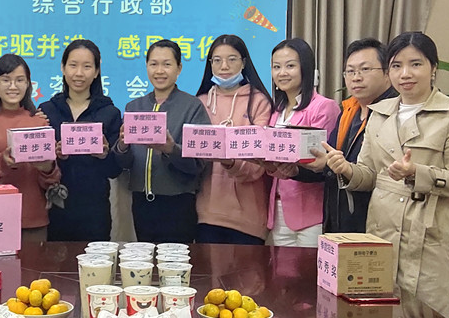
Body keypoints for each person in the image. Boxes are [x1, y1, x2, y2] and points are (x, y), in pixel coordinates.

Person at [326, 32, 449, 318]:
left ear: (433, 68)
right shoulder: (379, 113)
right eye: (396, 66)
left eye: (415, 64)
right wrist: (345, 169)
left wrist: (417, 173)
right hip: (381, 232)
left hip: (426, 233)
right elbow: (369, 175)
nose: (405, 74)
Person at [113, 39, 210, 244]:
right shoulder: (134, 107)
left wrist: (171, 149)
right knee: (144, 260)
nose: (159, 71)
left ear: (179, 68)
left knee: (175, 261)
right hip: (141, 201)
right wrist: (122, 146)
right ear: (146, 66)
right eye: (154, 64)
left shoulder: (192, 106)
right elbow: (124, 163)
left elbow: (199, 163)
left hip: (178, 202)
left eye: (167, 64)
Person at [301, 37, 396, 233]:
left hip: (377, 225)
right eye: (350, 71)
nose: (356, 77)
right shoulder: (349, 111)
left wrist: (336, 166)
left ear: (387, 73)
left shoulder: (395, 114)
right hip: (340, 222)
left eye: (365, 69)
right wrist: (295, 169)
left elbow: (387, 174)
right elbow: (330, 164)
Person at [0, 54, 61, 242]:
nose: (13, 86)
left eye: (20, 80)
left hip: (32, 216)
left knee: (34, 262)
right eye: (6, 80)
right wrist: (2, 161)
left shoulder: (39, 122)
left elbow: (52, 179)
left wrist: (47, 168)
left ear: (28, 84)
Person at [38, 39, 122, 241]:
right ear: (63, 67)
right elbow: (37, 162)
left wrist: (104, 155)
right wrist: (54, 156)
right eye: (73, 65)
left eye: (87, 67)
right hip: (55, 206)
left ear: (97, 71)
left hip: (94, 210)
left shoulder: (110, 113)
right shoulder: (46, 111)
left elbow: (115, 170)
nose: (79, 73)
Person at [195, 34, 273, 245]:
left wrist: (230, 161)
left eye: (232, 59)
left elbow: (259, 164)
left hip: (248, 216)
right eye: (217, 60)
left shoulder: (259, 102)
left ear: (244, 62)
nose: (224, 66)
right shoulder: (199, 102)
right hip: (206, 213)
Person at [265, 38, 339, 247]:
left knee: (308, 267)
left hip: (311, 212)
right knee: (281, 267)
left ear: (305, 68)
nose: (282, 73)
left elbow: (322, 165)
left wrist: (293, 168)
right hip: (278, 209)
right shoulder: (276, 111)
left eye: (290, 66)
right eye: (276, 67)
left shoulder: (324, 107)